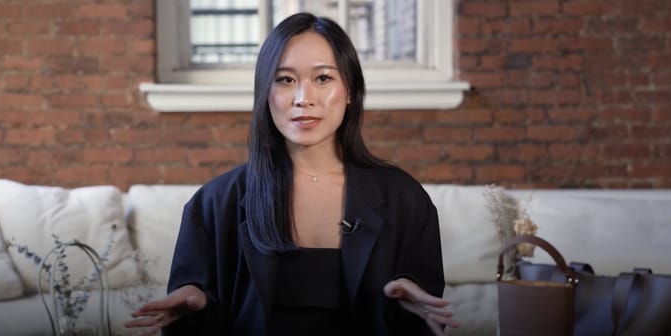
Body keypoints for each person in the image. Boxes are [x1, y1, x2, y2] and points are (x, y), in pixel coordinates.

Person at [125, 12, 459, 336]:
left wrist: (403, 306)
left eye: (323, 78)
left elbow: (425, 318)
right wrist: (197, 304)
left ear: (350, 92)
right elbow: (196, 309)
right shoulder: (215, 203)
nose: (303, 99)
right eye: (286, 80)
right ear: (264, 93)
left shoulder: (404, 199)